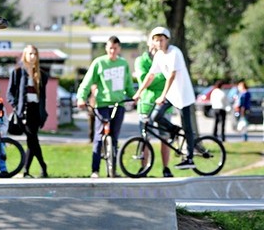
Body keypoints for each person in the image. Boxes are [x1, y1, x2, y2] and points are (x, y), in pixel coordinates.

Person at [133, 26, 197, 170]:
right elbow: (150, 75)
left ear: (167, 40)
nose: (159, 43)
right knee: (156, 115)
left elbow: (172, 76)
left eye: (161, 40)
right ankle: (174, 130)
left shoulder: (175, 53)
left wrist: (162, 95)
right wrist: (139, 92)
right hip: (170, 94)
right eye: (156, 40)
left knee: (187, 126)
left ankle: (190, 158)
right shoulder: (159, 56)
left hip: (183, 95)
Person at [77, 36, 134, 178]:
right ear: (106, 48)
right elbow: (87, 82)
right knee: (99, 136)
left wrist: (133, 97)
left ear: (119, 49)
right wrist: (81, 98)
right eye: (110, 48)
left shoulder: (123, 63)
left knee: (114, 137)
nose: (112, 51)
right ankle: (95, 170)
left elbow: (128, 83)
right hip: (102, 104)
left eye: (115, 48)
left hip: (118, 104)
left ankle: (112, 170)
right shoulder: (99, 63)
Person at [7, 45, 49, 178]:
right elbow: (10, 93)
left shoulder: (41, 74)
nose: (32, 56)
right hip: (23, 111)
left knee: (32, 140)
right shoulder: (18, 72)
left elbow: (42, 96)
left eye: (35, 54)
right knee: (32, 139)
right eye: (30, 54)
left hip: (35, 110)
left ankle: (27, 170)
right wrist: (15, 106)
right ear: (24, 55)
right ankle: (41, 166)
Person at [134, 37, 173, 177]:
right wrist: (163, 76)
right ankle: (143, 168)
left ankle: (166, 168)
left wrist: (152, 78)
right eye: (153, 41)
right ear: (149, 43)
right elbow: (144, 79)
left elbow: (171, 77)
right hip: (146, 104)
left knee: (165, 137)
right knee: (145, 138)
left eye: (159, 41)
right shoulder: (141, 61)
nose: (156, 45)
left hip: (164, 105)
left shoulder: (167, 59)